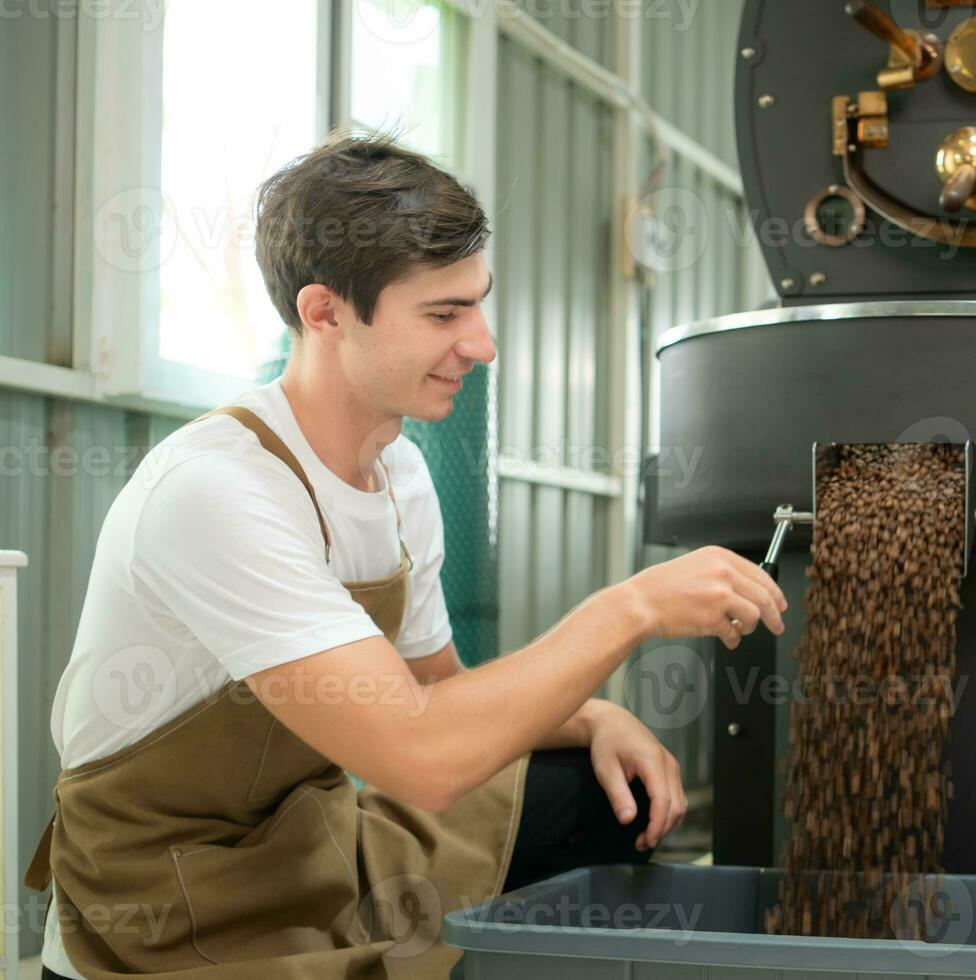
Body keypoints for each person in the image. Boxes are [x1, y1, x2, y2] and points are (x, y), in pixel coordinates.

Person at [25, 133, 787, 980]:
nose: (483, 344)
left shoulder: (400, 473)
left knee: (607, 790)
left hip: (311, 849)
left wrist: (593, 717)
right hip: (169, 903)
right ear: (324, 313)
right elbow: (422, 760)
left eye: (477, 305)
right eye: (444, 315)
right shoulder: (219, 491)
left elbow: (440, 693)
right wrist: (632, 608)